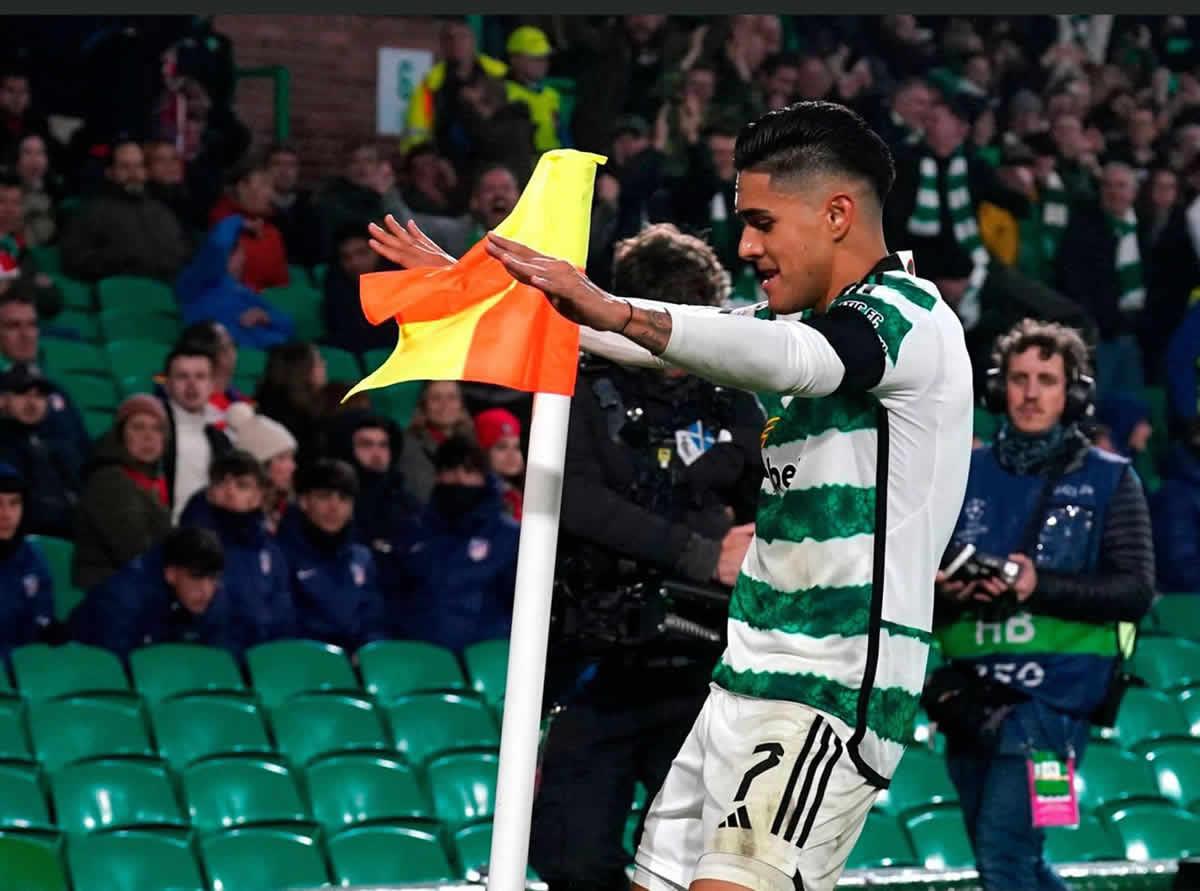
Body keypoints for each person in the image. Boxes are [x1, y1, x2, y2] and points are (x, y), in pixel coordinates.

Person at [480, 100, 974, 891]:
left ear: (837, 214)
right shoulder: (800, 324)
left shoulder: (907, 320)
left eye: (761, 222)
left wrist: (617, 309)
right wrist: (492, 289)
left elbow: (794, 359)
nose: (745, 246)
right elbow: (692, 334)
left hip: (829, 688)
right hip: (739, 679)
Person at [928, 319, 1155, 891]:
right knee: (1010, 860)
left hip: (1053, 706)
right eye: (1020, 378)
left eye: (1047, 380)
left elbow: (1134, 591)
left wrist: (1038, 585)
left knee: (1005, 857)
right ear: (998, 388)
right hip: (968, 699)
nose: (1030, 393)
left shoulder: (1111, 479)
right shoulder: (962, 472)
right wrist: (945, 589)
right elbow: (922, 581)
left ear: (1073, 393)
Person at [387, 436, 518, 652]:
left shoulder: (509, 536)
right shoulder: (412, 531)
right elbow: (394, 597)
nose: (459, 479)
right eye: (450, 470)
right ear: (438, 475)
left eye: (469, 471)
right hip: (420, 658)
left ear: (483, 477)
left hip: (488, 658)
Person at [68, 526, 250, 658]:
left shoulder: (213, 598)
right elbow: (111, 666)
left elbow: (223, 658)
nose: (206, 591)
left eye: (212, 579)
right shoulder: (125, 597)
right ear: (171, 574)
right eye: (196, 578)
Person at [179, 449, 296, 646]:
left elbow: (283, 617)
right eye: (221, 483)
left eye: (242, 485)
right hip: (207, 661)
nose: (230, 491)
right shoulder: (188, 546)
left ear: (259, 495)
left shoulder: (271, 551)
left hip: (262, 664)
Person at [276, 458, 386, 653]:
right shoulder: (282, 555)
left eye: (343, 499)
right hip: (305, 664)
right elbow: (285, 623)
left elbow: (373, 619)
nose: (334, 507)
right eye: (324, 497)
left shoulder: (362, 558)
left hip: (356, 666)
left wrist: (368, 652)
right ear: (304, 501)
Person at [71, 394, 172, 590]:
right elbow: (135, 549)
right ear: (120, 434)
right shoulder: (108, 480)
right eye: (138, 427)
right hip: (107, 589)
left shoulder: (154, 480)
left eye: (157, 429)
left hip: (138, 585)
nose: (148, 437)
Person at [174, 215, 295, 350]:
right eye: (240, 253)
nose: (243, 259)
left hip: (274, 352)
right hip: (229, 354)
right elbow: (218, 244)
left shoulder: (243, 291)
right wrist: (241, 222)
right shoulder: (195, 285)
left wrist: (266, 317)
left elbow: (289, 325)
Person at [0, 362, 82, 538]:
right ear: (5, 399)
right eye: (22, 393)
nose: (32, 402)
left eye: (39, 395)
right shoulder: (4, 444)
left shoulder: (59, 440)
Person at [156, 344, 234, 522]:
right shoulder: (154, 430)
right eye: (182, 376)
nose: (192, 384)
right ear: (167, 384)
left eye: (200, 377)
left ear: (211, 385)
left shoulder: (222, 439)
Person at [0, 462, 60, 662]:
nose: (6, 515)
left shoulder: (32, 555)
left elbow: (43, 616)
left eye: (14, 503)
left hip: (28, 667)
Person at [223, 402, 297, 533]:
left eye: (291, 458)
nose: (292, 466)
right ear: (260, 466)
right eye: (282, 458)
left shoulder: (289, 512)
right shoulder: (234, 517)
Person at [402, 380, 476, 504]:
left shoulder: (472, 443)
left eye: (452, 397)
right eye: (436, 398)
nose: (445, 405)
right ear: (423, 406)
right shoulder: (409, 448)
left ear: (461, 405)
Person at [473, 407, 524, 520]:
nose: (512, 455)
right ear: (483, 452)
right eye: (501, 447)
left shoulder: (521, 493)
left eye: (516, 447)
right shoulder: (477, 498)